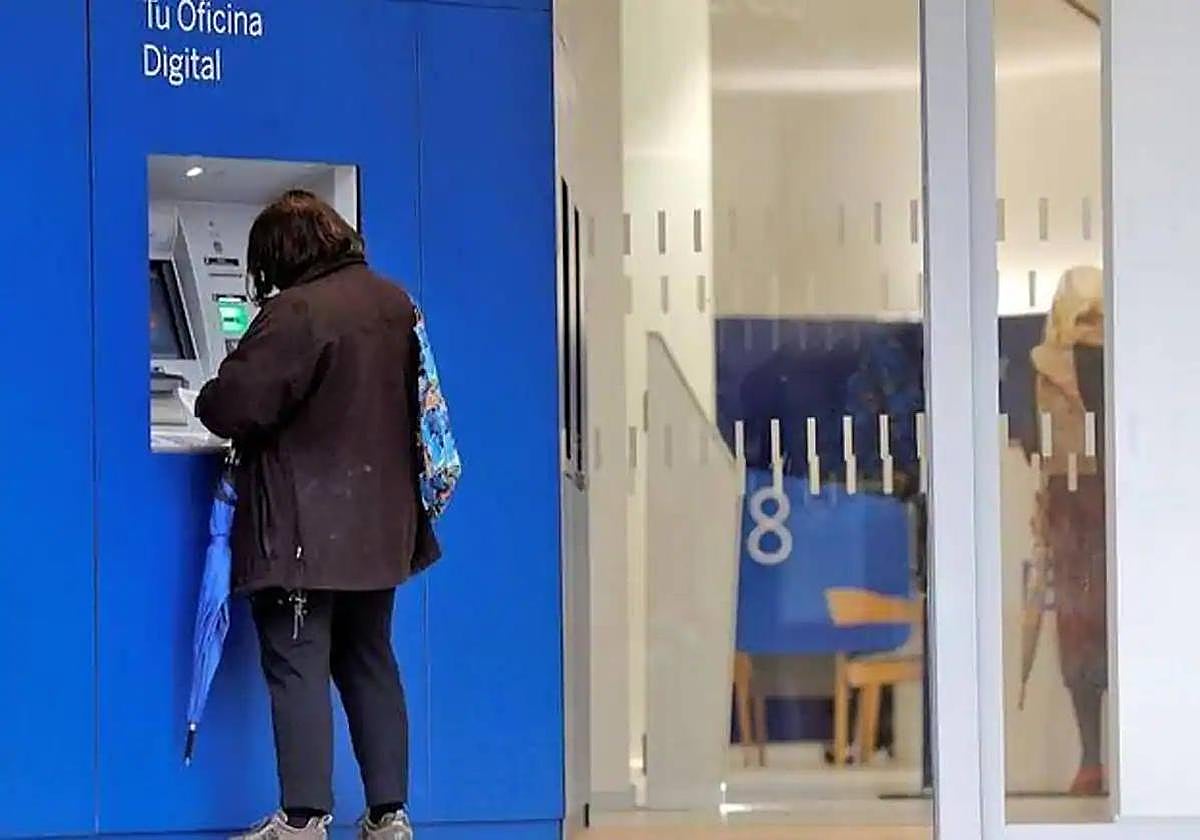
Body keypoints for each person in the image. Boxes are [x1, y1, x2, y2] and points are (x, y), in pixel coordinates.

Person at [196, 190, 440, 840]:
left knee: (296, 660)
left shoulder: (297, 311)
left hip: (303, 530)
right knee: (368, 658)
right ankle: (389, 816)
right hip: (381, 527)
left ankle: (303, 819)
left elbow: (233, 405)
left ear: (281, 254)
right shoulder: (394, 302)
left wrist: (208, 395)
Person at [1029, 266, 1107, 796]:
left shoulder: (1049, 362)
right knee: (1089, 628)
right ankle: (1097, 757)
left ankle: (1100, 756)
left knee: (1092, 628)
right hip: (1083, 503)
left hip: (1096, 501)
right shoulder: (1044, 365)